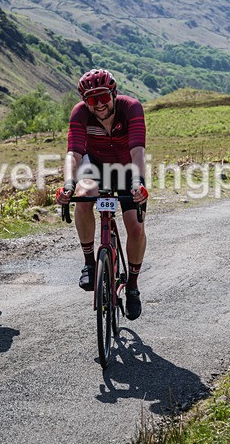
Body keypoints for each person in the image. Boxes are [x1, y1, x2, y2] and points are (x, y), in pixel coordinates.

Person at [54, 69, 149, 320]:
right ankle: (89, 262)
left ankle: (133, 286)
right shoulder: (80, 113)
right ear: (85, 101)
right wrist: (67, 185)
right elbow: (73, 153)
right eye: (91, 99)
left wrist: (138, 184)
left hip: (128, 168)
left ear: (114, 94)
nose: (98, 105)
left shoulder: (131, 109)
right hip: (95, 165)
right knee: (84, 196)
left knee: (135, 227)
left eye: (103, 97)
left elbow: (138, 151)